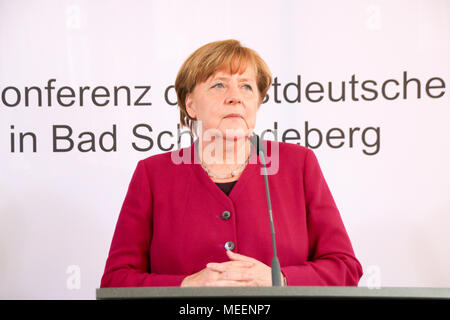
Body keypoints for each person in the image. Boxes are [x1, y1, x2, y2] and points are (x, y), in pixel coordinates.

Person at [100, 39, 363, 287]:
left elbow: (345, 267)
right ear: (191, 105)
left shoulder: (298, 164)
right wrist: (187, 285)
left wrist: (279, 279)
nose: (235, 96)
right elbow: (116, 279)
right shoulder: (153, 174)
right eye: (219, 85)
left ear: (256, 103)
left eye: (246, 86)